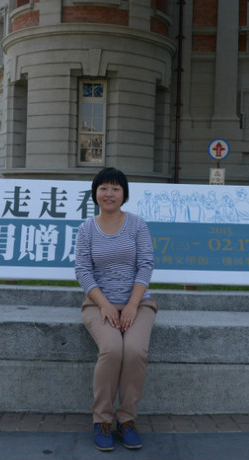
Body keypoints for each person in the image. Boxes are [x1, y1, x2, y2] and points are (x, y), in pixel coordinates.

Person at [75, 167, 157, 451]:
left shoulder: (137, 224)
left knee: (135, 351)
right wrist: (107, 306)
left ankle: (127, 419)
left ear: (124, 194)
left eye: (115, 188)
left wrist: (133, 305)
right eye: (103, 188)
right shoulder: (86, 229)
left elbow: (146, 264)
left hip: (138, 303)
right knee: (112, 349)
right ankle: (102, 421)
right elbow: (83, 271)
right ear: (95, 193)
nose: (109, 194)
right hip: (99, 304)